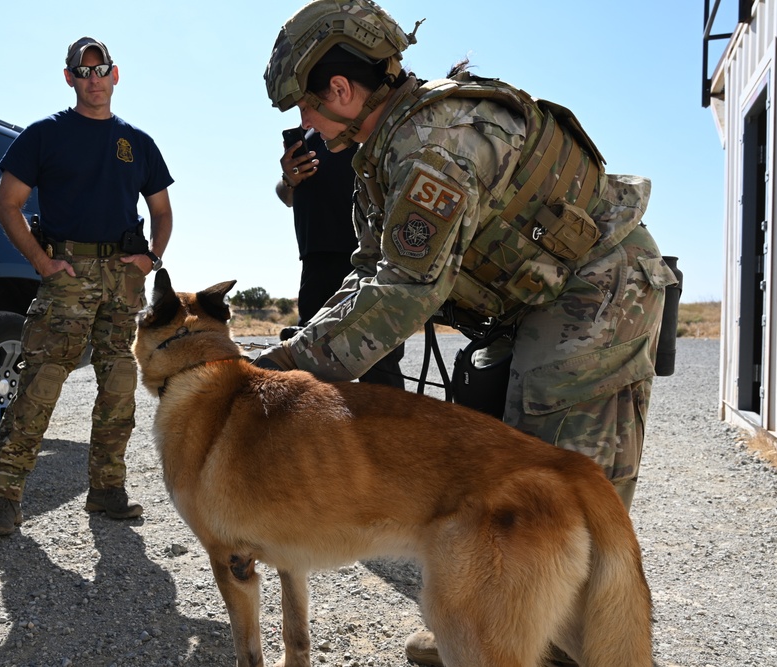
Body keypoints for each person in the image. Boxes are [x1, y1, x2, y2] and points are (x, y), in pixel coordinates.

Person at [260, 2, 678, 664]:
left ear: (340, 91)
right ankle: (481, 624)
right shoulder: (385, 148)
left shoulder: (438, 143)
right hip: (525, 304)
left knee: (552, 502)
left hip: (593, 297)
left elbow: (401, 295)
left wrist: (286, 372)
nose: (305, 124)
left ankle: (556, 647)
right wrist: (291, 355)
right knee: (484, 478)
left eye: (305, 107)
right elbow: (370, 273)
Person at [0, 37, 174, 538]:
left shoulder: (138, 142)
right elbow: (7, 204)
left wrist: (151, 258)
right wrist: (42, 262)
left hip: (122, 280)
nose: (93, 78)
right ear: (69, 77)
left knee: (119, 386)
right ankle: (4, 499)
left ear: (115, 74)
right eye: (82, 71)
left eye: (100, 69)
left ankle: (107, 489)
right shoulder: (45, 135)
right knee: (41, 382)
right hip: (67, 277)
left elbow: (162, 211)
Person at [276, 128, 405, 388]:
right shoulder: (309, 134)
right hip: (315, 260)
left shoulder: (364, 123)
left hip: (367, 258)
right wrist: (289, 178)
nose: (304, 113)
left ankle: (388, 427)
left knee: (378, 361)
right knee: (311, 361)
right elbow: (286, 197)